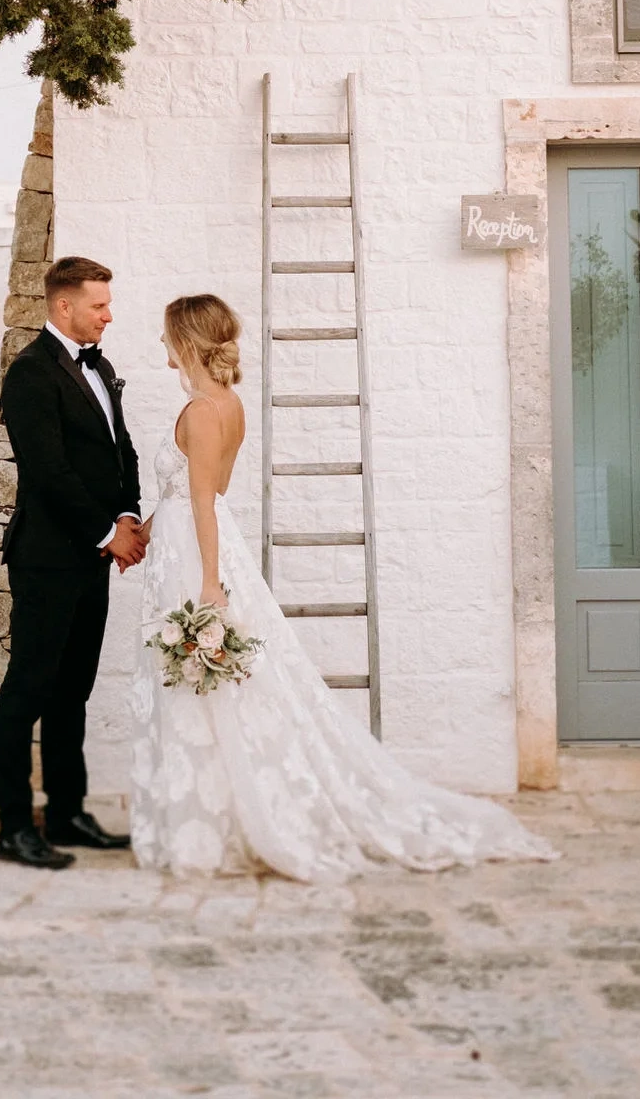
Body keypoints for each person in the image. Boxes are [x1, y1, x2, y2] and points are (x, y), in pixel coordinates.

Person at [131, 293, 556, 880]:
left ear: (185, 341)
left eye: (165, 335)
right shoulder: (227, 404)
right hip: (189, 540)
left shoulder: (203, 411)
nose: (160, 345)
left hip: (198, 557)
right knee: (212, 687)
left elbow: (202, 498)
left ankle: (214, 825)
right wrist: (143, 536)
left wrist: (208, 584)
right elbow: (189, 492)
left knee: (207, 685)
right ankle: (216, 812)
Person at [0, 255, 144, 868]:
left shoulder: (100, 365)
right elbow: (48, 472)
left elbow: (120, 449)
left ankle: (65, 812)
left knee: (72, 690)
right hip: (47, 560)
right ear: (64, 307)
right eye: (99, 305)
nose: (109, 314)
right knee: (27, 690)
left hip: (91, 559)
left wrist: (128, 515)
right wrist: (108, 533)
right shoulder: (30, 374)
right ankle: (13, 828)